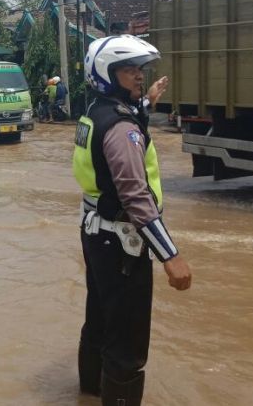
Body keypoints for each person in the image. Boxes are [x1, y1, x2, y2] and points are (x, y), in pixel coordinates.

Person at [72, 35, 191, 405]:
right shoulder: (122, 129)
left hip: (95, 232)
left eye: (140, 70)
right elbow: (135, 195)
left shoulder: (96, 111)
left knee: (100, 321)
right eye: (129, 70)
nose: (139, 76)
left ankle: (90, 393)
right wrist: (170, 256)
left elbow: (128, 116)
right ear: (108, 74)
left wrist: (147, 99)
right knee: (127, 341)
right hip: (123, 240)